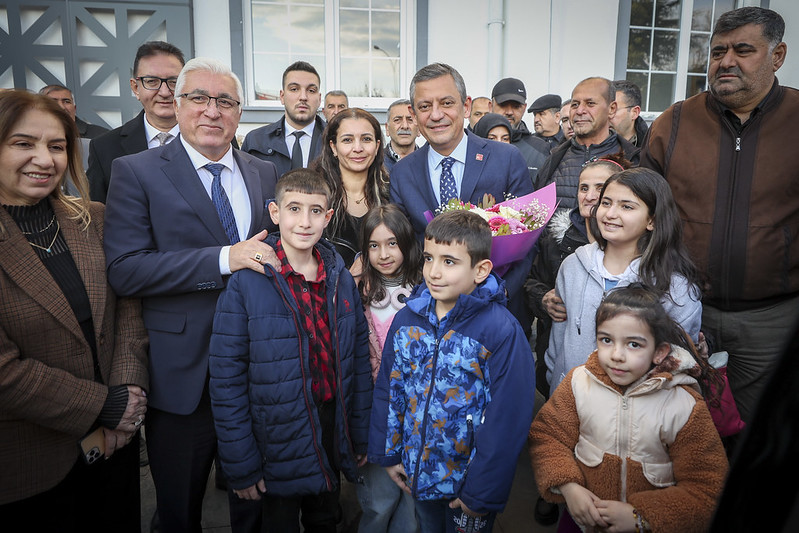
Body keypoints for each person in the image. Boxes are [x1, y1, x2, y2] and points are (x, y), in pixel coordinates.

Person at [104, 57, 280, 533]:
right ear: (177, 105)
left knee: (256, 503)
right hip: (184, 373)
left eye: (224, 100)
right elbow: (125, 270)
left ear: (240, 111)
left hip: (257, 370)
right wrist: (224, 257)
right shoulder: (136, 170)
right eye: (198, 98)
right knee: (179, 508)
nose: (211, 110)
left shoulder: (263, 173)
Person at [639, 6, 799, 427]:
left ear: (777, 55)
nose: (726, 61)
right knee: (674, 425)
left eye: (743, 50)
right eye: (717, 51)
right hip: (682, 309)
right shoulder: (674, 123)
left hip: (772, 320)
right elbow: (641, 211)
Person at [0, 90, 148, 531]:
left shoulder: (94, 218)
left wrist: (128, 398)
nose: (44, 159)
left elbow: (128, 310)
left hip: (113, 449)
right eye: (23, 143)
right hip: (29, 463)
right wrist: (103, 405)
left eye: (57, 146)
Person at [208, 169, 372, 533]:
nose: (304, 221)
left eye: (316, 211)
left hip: (329, 425)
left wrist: (357, 433)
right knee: (275, 522)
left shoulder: (339, 276)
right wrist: (240, 461)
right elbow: (226, 377)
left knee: (325, 517)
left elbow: (357, 359)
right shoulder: (247, 282)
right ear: (275, 212)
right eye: (294, 209)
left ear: (328, 217)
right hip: (274, 433)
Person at [369, 210, 536, 533]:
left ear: (481, 269)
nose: (433, 271)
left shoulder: (500, 332)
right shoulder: (407, 320)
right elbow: (391, 391)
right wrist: (389, 454)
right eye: (429, 258)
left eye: (449, 261)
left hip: (468, 483)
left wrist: (481, 492)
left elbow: (508, 419)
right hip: (419, 473)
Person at [529, 285, 729, 533]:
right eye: (606, 340)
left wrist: (642, 516)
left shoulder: (683, 406)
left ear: (659, 352)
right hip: (581, 522)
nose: (616, 355)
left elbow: (707, 487)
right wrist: (569, 487)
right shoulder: (578, 383)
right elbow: (548, 436)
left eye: (633, 344)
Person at [389, 63, 534, 335]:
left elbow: (526, 241)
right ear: (413, 113)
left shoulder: (505, 158)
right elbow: (406, 246)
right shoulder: (401, 173)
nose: (436, 115)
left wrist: (492, 296)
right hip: (432, 319)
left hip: (497, 317)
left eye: (446, 103)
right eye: (424, 106)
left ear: (466, 107)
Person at [545, 168, 702, 392]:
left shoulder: (676, 289)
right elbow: (558, 340)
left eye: (626, 206)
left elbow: (677, 366)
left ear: (652, 220)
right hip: (570, 398)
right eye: (606, 203)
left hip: (637, 410)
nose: (610, 214)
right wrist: (558, 383)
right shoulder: (572, 266)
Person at [525, 154, 632, 399]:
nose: (590, 195)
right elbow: (530, 281)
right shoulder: (556, 238)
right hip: (558, 361)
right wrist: (544, 299)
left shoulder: (629, 246)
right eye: (584, 187)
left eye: (600, 188)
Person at [353, 204, 422, 533]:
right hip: (376, 419)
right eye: (374, 245)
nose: (384, 253)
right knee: (378, 503)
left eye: (392, 243)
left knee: (413, 507)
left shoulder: (427, 290)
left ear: (407, 243)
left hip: (418, 419)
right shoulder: (355, 293)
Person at [87, 41, 185, 203]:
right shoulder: (104, 148)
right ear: (135, 88)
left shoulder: (213, 138)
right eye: (152, 81)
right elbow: (98, 214)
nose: (165, 92)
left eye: (174, 82)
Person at [534, 77, 640, 210]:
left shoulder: (633, 161)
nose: (580, 111)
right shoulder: (553, 159)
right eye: (575, 104)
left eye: (590, 104)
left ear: (612, 109)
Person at [311, 107, 389, 268]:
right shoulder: (313, 195)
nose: (358, 148)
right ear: (333, 147)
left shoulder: (393, 193)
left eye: (366, 139)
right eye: (347, 140)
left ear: (377, 145)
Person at [242, 61, 326, 177]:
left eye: (311, 90)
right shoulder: (256, 141)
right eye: (294, 89)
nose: (303, 97)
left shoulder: (335, 140)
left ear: (319, 98)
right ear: (282, 96)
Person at [472, 112, 546, 183]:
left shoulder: (518, 172)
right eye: (492, 139)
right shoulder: (467, 171)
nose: (499, 143)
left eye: (505, 139)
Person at [490, 78, 550, 157]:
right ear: (490, 106)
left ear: (524, 108)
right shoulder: (475, 143)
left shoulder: (539, 149)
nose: (509, 112)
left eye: (516, 106)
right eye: (503, 105)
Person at [40, 83, 109, 139]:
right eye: (53, 102)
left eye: (66, 101)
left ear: (74, 108)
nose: (61, 107)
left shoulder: (101, 136)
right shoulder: (31, 134)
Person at [383, 98, 419, 174]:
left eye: (410, 120)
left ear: (419, 129)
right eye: (397, 120)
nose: (405, 126)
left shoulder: (430, 161)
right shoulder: (375, 162)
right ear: (387, 128)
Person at [610, 80, 648, 147]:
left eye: (613, 109)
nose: (606, 116)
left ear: (634, 112)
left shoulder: (652, 149)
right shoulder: (589, 145)